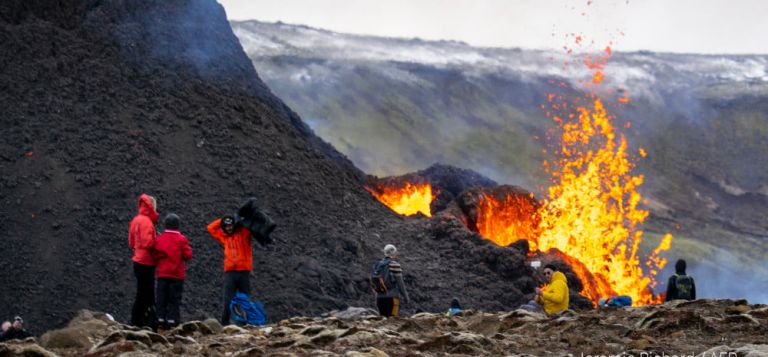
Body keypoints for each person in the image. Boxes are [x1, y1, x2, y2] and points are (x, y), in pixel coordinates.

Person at [208, 215, 254, 325]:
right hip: (230, 272)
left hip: (243, 271)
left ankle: (247, 322)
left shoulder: (243, 233)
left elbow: (250, 226)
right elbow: (210, 228)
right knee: (228, 300)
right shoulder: (224, 236)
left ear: (235, 225)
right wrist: (224, 219)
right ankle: (225, 323)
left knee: (245, 299)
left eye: (231, 225)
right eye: (226, 226)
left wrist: (237, 220)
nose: (229, 228)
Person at [153, 213, 192, 329]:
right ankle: (172, 321)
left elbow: (155, 255)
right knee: (174, 299)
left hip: (163, 274)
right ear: (177, 225)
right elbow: (188, 255)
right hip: (177, 275)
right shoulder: (182, 239)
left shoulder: (159, 239)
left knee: (161, 298)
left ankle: (160, 319)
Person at [128, 194, 159, 328]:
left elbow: (131, 242)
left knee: (141, 292)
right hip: (146, 262)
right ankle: (145, 322)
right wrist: (156, 242)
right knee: (147, 294)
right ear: (152, 206)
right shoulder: (147, 221)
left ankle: (138, 321)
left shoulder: (136, 220)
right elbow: (148, 243)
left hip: (137, 260)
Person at [371, 244, 410, 317]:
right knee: (392, 320)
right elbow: (400, 284)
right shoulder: (395, 265)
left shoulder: (377, 265)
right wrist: (406, 298)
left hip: (379, 298)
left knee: (383, 321)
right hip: (391, 297)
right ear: (393, 253)